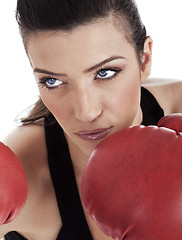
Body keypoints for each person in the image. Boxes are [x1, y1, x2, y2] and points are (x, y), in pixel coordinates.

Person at [1, 0, 182, 239]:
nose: (86, 112)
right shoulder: (25, 175)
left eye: (105, 72)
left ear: (144, 59)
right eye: (52, 81)